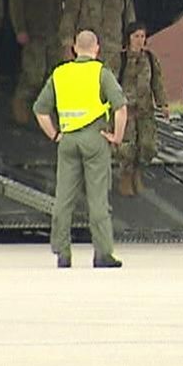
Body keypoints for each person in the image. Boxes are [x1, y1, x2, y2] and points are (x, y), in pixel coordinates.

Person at [35, 30, 126, 268]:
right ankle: (103, 253)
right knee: (97, 200)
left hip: (68, 141)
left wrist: (55, 134)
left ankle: (62, 252)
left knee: (63, 199)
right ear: (96, 48)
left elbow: (40, 110)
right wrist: (116, 136)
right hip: (94, 138)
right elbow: (121, 107)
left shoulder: (60, 73)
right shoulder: (101, 73)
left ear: (74, 49)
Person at [8, 0, 71, 124]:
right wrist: (20, 29)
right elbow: (16, 2)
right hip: (34, 32)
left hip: (55, 33)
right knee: (33, 73)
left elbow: (69, 0)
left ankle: (48, 114)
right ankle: (21, 107)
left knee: (56, 75)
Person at [57, 0, 136, 74]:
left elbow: (129, 18)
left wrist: (132, 44)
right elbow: (69, 16)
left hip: (112, 52)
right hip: (85, 50)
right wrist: (68, 45)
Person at [115, 22, 168, 197]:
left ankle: (138, 174)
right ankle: (126, 177)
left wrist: (163, 104)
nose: (139, 40)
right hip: (126, 110)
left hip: (145, 110)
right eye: (136, 36)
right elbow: (110, 83)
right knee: (127, 147)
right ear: (129, 38)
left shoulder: (150, 59)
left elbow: (157, 83)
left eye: (142, 36)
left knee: (148, 146)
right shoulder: (120, 59)